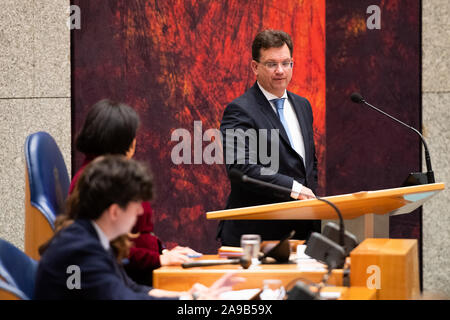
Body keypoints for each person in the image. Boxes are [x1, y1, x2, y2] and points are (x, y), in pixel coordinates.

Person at [35, 156, 243, 299]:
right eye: (136, 205)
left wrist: (190, 296)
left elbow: (131, 289)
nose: (140, 213)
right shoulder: (80, 251)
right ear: (115, 211)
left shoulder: (92, 238)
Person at [70, 99, 200, 285]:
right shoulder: (98, 182)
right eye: (132, 136)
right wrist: (158, 260)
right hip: (133, 275)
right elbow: (109, 247)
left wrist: (163, 252)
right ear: (120, 142)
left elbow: (136, 237)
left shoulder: (104, 172)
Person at [218, 29, 321, 246]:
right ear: (255, 66)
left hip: (301, 232)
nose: (280, 71)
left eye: (286, 63)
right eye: (271, 64)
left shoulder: (303, 106)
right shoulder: (240, 110)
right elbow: (240, 168)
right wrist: (294, 188)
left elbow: (309, 165)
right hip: (257, 235)